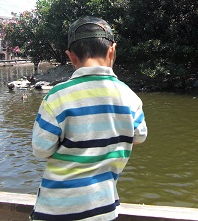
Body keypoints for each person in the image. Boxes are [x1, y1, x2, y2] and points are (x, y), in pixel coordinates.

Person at [31, 16, 148, 221]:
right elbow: (139, 137)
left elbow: (41, 149)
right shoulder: (129, 96)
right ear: (112, 50)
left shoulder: (57, 96)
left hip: (55, 211)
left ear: (71, 57)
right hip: (104, 210)